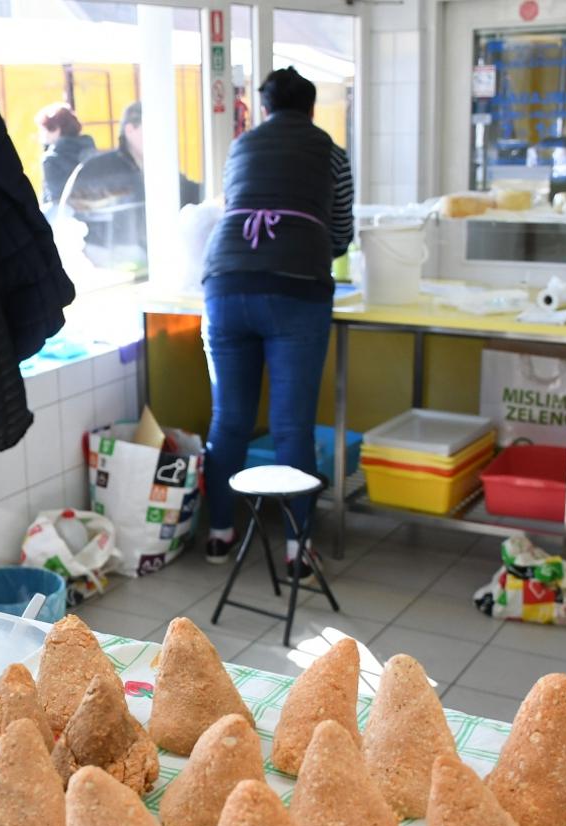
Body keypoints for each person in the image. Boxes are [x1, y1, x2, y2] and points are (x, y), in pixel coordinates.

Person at [198, 67, 354, 578]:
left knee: (229, 422)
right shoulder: (329, 151)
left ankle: (220, 534)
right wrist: (312, 249)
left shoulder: (241, 147)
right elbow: (340, 231)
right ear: (311, 109)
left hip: (225, 283)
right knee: (291, 428)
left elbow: (237, 206)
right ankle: (296, 549)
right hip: (295, 290)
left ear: (264, 109)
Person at [63, 102, 200, 270]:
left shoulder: (159, 166)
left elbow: (188, 193)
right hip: (109, 266)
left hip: (153, 261)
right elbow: (75, 219)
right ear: (130, 130)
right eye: (152, 129)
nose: (160, 136)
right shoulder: (98, 170)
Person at [35, 102, 95, 209]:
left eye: (44, 129)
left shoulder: (51, 159)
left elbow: (55, 199)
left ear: (56, 129)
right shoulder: (89, 147)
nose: (41, 134)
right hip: (97, 212)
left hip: (65, 217)